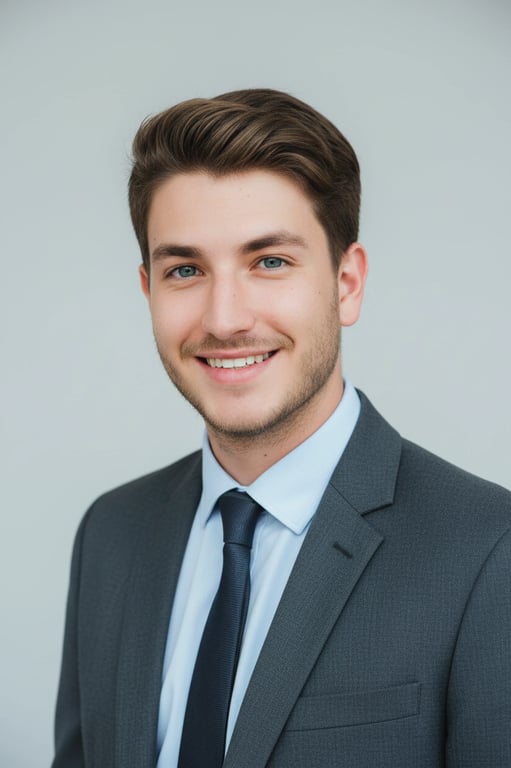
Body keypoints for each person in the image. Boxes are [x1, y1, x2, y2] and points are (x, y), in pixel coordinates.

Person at [52, 89, 511, 768]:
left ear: (346, 282)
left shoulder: (486, 550)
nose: (225, 318)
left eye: (269, 262)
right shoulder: (111, 533)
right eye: (185, 270)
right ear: (148, 291)